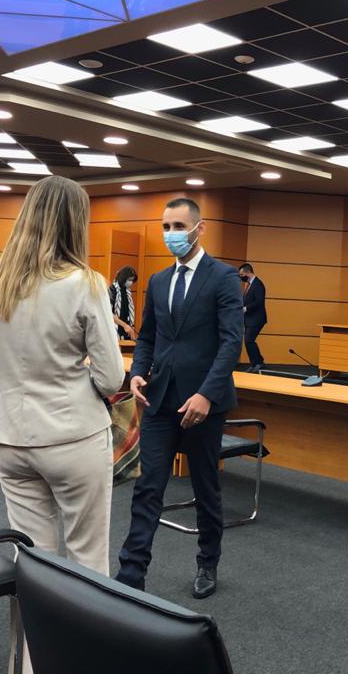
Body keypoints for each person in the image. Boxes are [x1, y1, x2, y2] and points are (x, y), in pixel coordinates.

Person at [0, 176, 124, 674]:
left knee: (33, 562)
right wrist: (70, 374)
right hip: (75, 437)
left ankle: (32, 665)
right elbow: (111, 377)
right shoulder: (86, 284)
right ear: (77, 222)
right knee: (87, 562)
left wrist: (20, 369)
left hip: (11, 440)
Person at [116, 197, 242, 599]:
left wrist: (207, 394)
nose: (171, 234)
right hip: (160, 400)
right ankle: (131, 575)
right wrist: (137, 372)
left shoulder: (223, 277)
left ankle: (208, 562)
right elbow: (148, 337)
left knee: (205, 487)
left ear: (199, 228)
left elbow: (231, 342)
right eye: (166, 226)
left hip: (204, 405)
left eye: (178, 226)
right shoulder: (158, 281)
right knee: (148, 486)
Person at [238, 262, 267, 373]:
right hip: (249, 319)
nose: (241, 277)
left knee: (249, 340)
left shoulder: (258, 284)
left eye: (242, 275)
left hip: (257, 319)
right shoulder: (249, 285)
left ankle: (259, 362)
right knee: (248, 341)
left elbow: (259, 302)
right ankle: (255, 363)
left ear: (248, 272)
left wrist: (246, 308)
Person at [109, 265, 138, 340]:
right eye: (129, 280)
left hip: (125, 332)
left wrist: (131, 327)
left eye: (132, 280)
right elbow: (108, 313)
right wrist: (124, 325)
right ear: (123, 278)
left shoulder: (127, 292)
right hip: (114, 331)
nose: (131, 282)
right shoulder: (112, 290)